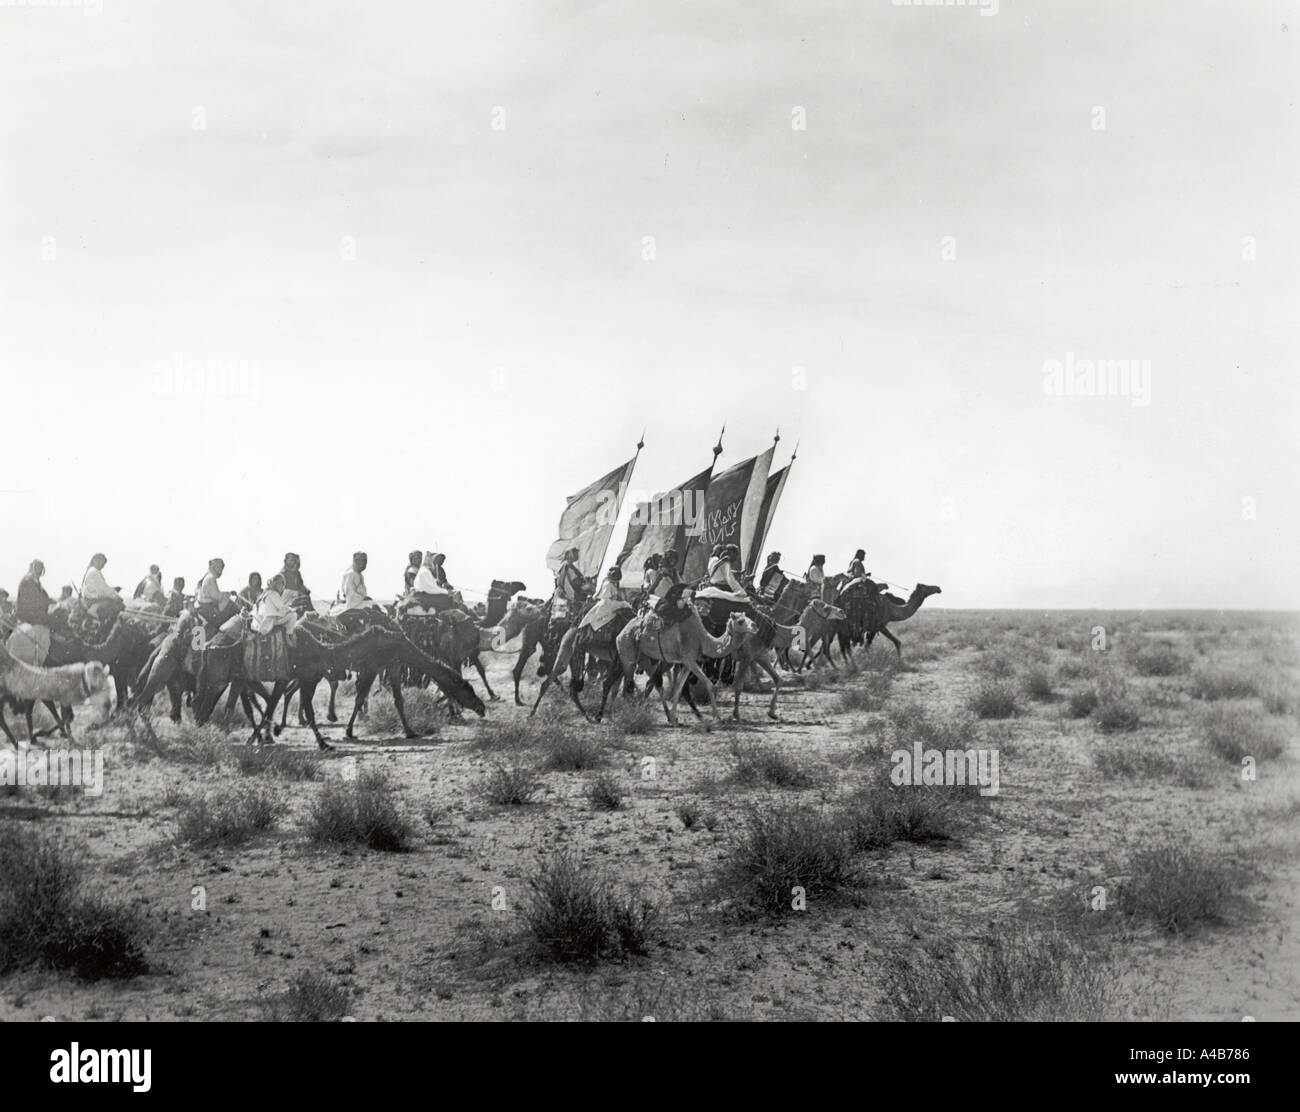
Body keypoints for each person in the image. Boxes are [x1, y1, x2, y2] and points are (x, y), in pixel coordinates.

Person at [8, 560, 55, 664]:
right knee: (53, 622)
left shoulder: (34, 581)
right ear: (33, 567)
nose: (39, 571)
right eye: (38, 568)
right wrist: (50, 603)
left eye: (41, 568)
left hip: (32, 612)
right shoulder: (28, 580)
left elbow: (42, 597)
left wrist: (51, 602)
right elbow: (37, 600)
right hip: (29, 614)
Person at [578, 566, 632, 632]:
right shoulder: (608, 585)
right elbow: (607, 600)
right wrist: (622, 604)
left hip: (611, 605)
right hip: (606, 606)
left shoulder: (612, 584)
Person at [81, 553, 125, 622]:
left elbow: (102, 588)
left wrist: (113, 590)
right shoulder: (94, 572)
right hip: (93, 600)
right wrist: (116, 597)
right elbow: (104, 589)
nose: (103, 566)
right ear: (95, 560)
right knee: (120, 606)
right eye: (102, 563)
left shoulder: (92, 571)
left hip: (91, 598)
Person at [196, 558, 239, 628]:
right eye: (219, 568)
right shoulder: (210, 578)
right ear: (214, 567)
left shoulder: (209, 577)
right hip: (208, 608)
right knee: (232, 606)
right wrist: (228, 594)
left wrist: (228, 593)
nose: (221, 571)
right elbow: (216, 596)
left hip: (208, 605)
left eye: (221, 568)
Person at [252, 573, 298, 638]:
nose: (282, 587)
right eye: (280, 584)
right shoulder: (273, 594)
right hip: (270, 620)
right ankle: (289, 634)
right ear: (275, 584)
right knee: (293, 615)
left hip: (262, 618)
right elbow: (281, 607)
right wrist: (291, 609)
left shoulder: (266, 593)